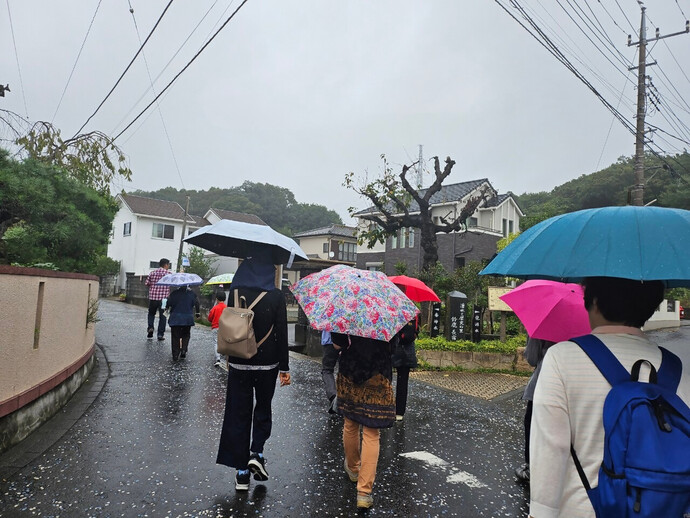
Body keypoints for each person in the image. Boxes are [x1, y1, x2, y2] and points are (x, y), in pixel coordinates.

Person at [529, 277, 690, 517]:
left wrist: (540, 513)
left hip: (582, 508)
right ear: (651, 304)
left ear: (593, 301)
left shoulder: (562, 358)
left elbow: (551, 449)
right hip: (659, 508)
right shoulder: (678, 369)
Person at [216, 251, 291, 492]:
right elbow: (281, 334)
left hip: (238, 360)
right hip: (267, 363)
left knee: (238, 412)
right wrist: (285, 367)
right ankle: (256, 453)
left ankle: (240, 473)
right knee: (263, 407)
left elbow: (228, 326)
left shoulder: (235, 293)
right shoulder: (276, 296)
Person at [331, 332, 396, 510]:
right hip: (379, 373)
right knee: (372, 432)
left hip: (350, 371)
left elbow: (338, 345)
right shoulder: (388, 310)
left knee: (350, 424)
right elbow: (394, 348)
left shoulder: (346, 309)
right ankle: (364, 492)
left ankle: (353, 468)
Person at [514, 336, 554, 483]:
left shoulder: (543, 330)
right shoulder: (582, 329)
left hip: (543, 384)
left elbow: (531, 358)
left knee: (532, 425)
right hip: (572, 386)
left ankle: (532, 469)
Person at [392, 317, 419, 421]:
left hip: (393, 349)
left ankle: (385, 408)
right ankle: (399, 412)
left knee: (386, 380)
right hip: (407, 352)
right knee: (403, 383)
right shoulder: (413, 314)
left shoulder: (393, 312)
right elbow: (416, 333)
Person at [166, 285, 200, 361]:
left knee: (175, 336)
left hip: (175, 317)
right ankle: (184, 349)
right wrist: (197, 313)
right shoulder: (192, 294)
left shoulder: (174, 293)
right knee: (186, 334)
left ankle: (175, 354)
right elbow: (197, 303)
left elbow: (168, 302)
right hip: (187, 318)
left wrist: (167, 308)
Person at [145, 258, 171, 340]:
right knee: (163, 316)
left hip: (153, 298)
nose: (168, 266)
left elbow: (147, 283)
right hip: (164, 300)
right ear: (166, 265)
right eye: (168, 265)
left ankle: (150, 327)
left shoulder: (152, 273)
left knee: (151, 314)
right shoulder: (169, 274)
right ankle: (160, 334)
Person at [207, 291, 228, 369]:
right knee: (225, 341)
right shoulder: (227, 308)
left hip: (215, 327)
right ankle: (226, 357)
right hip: (225, 328)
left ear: (217, 299)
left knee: (216, 342)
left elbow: (209, 318)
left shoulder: (215, 308)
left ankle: (218, 359)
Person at [320, 330, 340, 414]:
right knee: (344, 371)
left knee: (327, 370)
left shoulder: (329, 317)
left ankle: (333, 396)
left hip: (329, 341)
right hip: (346, 342)